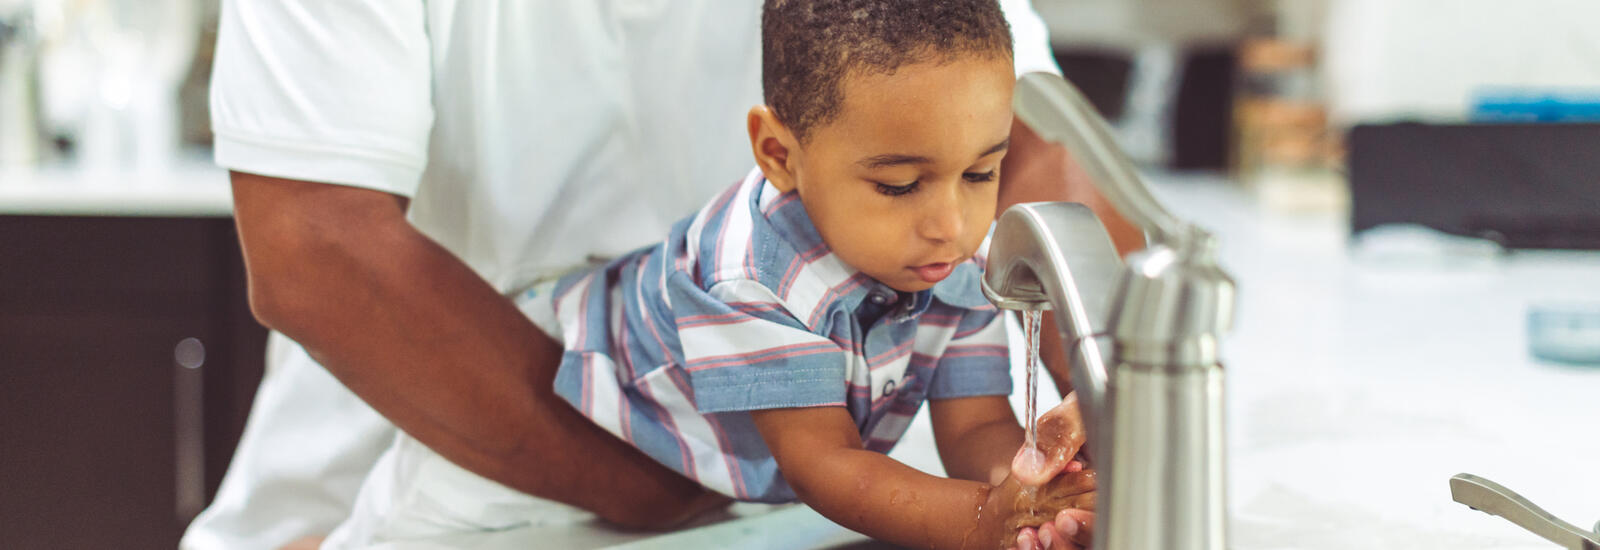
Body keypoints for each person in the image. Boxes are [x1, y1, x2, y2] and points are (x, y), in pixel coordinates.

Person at [184, 1, 1140, 549]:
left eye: (973, 178)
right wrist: (656, 478)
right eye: (904, 181)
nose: (955, 215)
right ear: (775, 153)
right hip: (443, 471)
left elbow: (1038, 149)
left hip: (752, 494)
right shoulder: (756, 274)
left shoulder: (954, 245)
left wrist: (1092, 437)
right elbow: (317, 249)